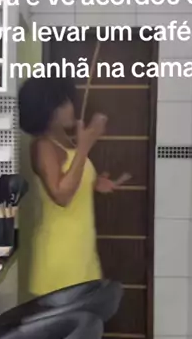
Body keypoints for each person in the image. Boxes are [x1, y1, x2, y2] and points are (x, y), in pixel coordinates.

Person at [18, 75, 130, 298]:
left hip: (81, 248)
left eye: (68, 100)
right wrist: (85, 146)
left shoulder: (65, 142)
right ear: (46, 110)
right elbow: (61, 195)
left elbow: (72, 179)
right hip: (60, 252)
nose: (70, 106)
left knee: (83, 314)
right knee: (67, 319)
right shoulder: (43, 145)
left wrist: (94, 183)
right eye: (62, 103)